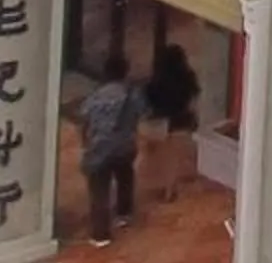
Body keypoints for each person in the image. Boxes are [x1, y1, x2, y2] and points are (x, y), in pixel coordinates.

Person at [78, 53, 146, 247]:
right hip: (125, 145)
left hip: (100, 147)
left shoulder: (95, 96)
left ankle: (101, 234)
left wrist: (86, 143)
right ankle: (124, 213)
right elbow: (141, 113)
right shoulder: (132, 94)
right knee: (125, 176)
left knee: (99, 190)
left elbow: (84, 120)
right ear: (125, 72)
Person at [142, 44, 201, 201]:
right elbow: (193, 98)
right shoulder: (188, 77)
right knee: (173, 159)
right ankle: (170, 189)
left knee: (157, 155)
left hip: (159, 122)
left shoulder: (156, 81)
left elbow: (147, 102)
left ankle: (155, 186)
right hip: (181, 121)